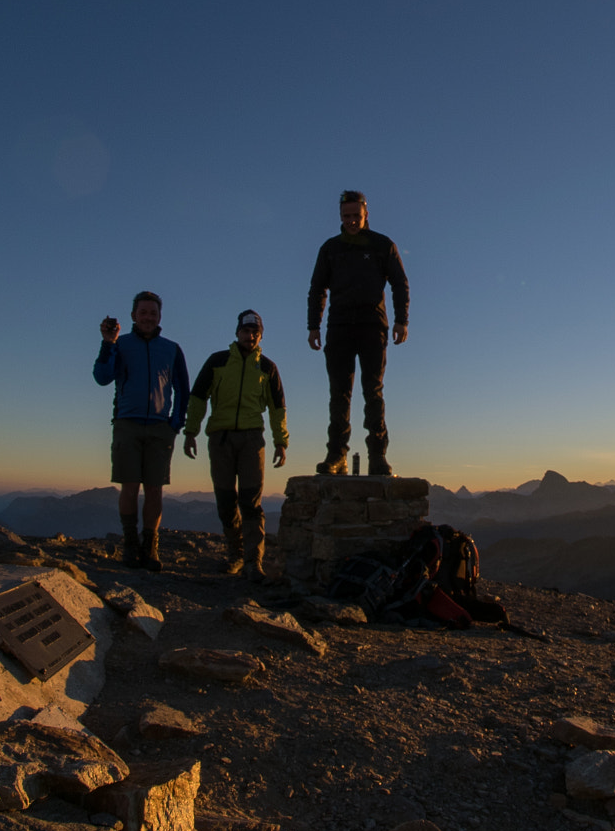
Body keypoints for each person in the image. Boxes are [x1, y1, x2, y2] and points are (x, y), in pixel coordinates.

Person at [307, 190, 410, 475]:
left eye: (356, 216)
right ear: (340, 216)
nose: (351, 221)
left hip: (372, 327)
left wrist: (402, 320)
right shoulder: (330, 248)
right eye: (346, 216)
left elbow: (400, 283)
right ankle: (336, 455)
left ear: (366, 215)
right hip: (338, 327)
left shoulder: (382, 244)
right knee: (339, 393)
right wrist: (313, 325)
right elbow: (317, 289)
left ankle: (378, 455)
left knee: (373, 391)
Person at [183, 310, 289, 579]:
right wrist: (190, 431)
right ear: (237, 332)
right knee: (226, 500)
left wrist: (281, 442)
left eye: (255, 332)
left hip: (253, 440)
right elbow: (197, 398)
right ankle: (236, 555)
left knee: (251, 501)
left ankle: (254, 562)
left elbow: (278, 409)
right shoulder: (217, 362)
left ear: (260, 335)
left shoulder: (267, 368)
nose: (250, 336)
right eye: (246, 331)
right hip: (221, 438)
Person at [92, 291, 190, 569]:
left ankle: (151, 546)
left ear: (160, 317)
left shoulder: (171, 349)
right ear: (134, 315)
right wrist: (108, 343)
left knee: (155, 489)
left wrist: (175, 423)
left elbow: (183, 388)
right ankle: (130, 543)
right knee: (130, 486)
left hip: (160, 427)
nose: (148, 317)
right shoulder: (120, 345)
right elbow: (102, 377)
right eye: (143, 312)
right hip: (127, 423)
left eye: (153, 313)